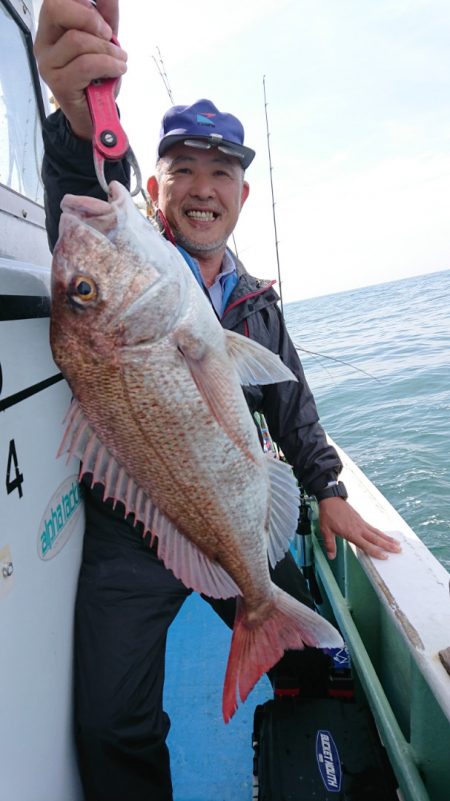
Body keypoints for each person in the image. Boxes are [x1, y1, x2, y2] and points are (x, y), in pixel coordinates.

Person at [34, 3, 401, 800]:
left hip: (224, 511)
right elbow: (86, 182)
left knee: (322, 660)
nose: (203, 188)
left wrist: (329, 490)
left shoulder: (255, 303)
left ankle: (300, 725)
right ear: (154, 184)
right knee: (109, 722)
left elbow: (291, 400)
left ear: (241, 189)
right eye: (184, 169)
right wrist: (74, 116)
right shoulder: (137, 254)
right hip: (131, 534)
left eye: (222, 171)